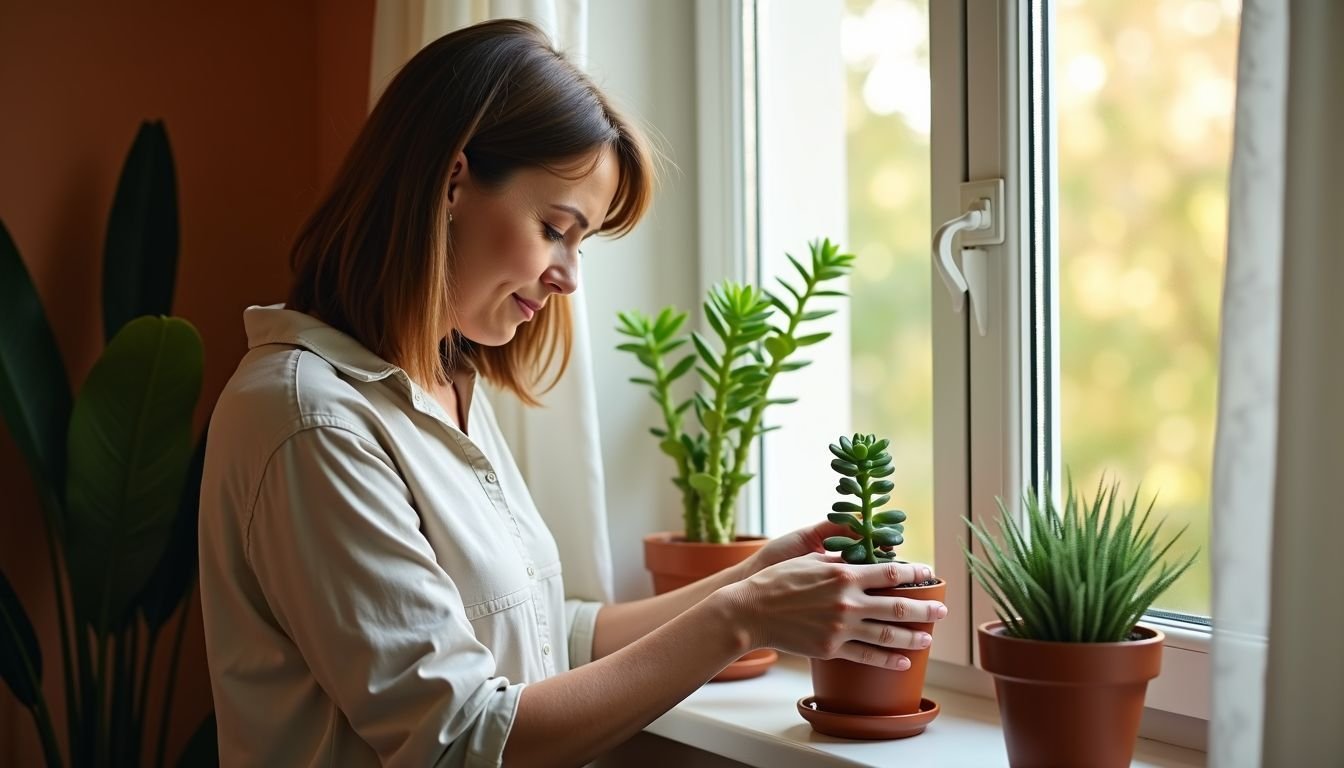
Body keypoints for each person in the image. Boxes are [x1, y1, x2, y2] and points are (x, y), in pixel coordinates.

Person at [198, 18, 947, 768]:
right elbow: (459, 739)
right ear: (452, 181)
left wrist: (756, 580)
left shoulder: (441, 386)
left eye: (580, 242)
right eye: (557, 228)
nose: (569, 276)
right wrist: (740, 619)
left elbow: (543, 632)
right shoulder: (311, 421)